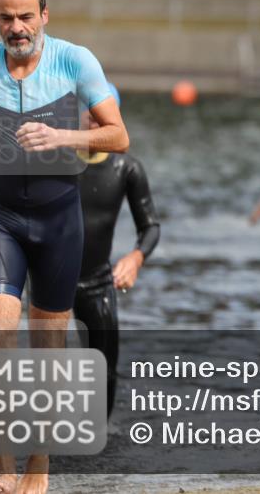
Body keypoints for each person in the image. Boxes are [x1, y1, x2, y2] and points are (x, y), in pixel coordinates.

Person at [0, 0, 128, 494]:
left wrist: (61, 134)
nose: (16, 27)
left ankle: (36, 474)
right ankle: (2, 474)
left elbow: (118, 135)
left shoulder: (75, 60)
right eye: (6, 17)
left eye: (25, 16)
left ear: (44, 16)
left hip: (58, 222)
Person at [74, 84, 160, 419]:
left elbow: (151, 226)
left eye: (103, 111)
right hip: (49, 281)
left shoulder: (127, 169)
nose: (94, 118)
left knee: (104, 374)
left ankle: (95, 450)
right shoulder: (54, 161)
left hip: (97, 283)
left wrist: (135, 257)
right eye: (89, 109)